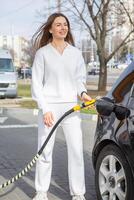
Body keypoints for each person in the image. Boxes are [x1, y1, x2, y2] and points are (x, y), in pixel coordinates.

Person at [31, 13, 92, 200]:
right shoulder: (42, 54)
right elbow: (36, 84)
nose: (63, 28)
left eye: (65, 24)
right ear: (50, 29)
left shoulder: (75, 53)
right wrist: (45, 108)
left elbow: (79, 81)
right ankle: (41, 192)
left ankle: (78, 193)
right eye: (58, 25)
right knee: (45, 151)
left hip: (71, 109)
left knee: (75, 151)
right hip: (49, 108)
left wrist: (83, 94)